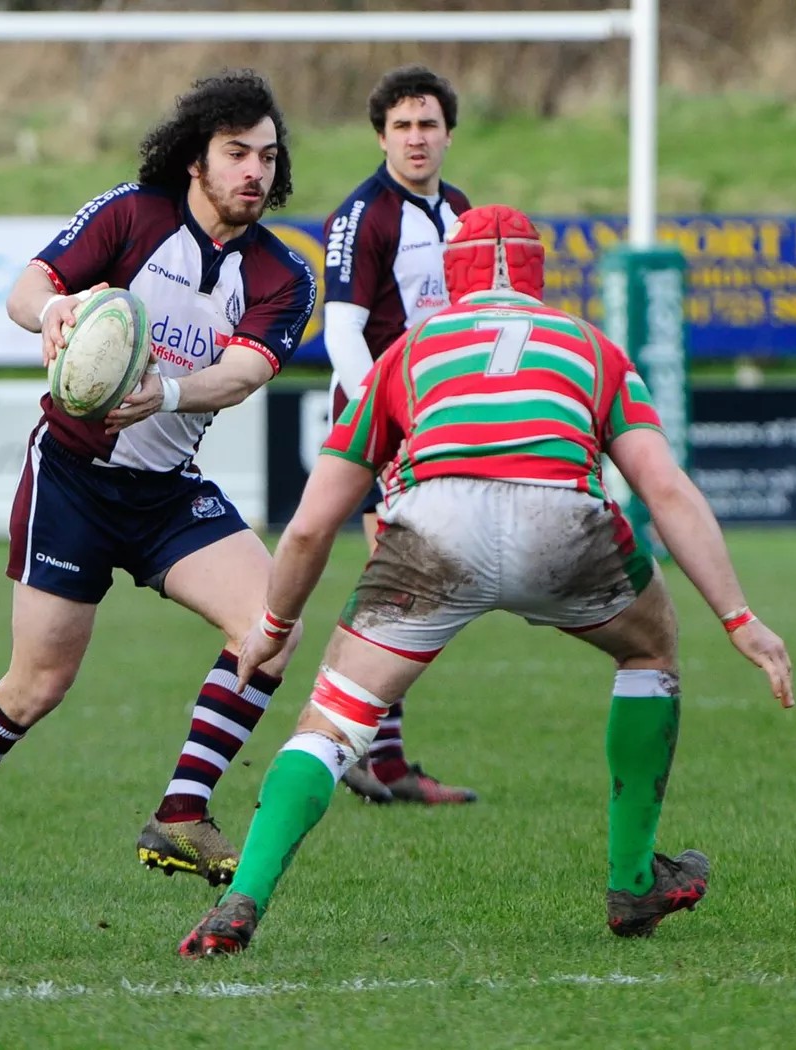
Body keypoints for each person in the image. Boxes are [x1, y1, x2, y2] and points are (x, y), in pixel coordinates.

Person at [177, 205, 794, 958]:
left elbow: (308, 526)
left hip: (435, 526)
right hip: (562, 520)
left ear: (449, 280)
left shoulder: (408, 352)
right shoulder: (592, 348)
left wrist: (272, 627)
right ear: (538, 275)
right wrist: (739, 619)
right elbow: (665, 489)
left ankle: (241, 902)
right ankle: (635, 880)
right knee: (650, 651)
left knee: (335, 720)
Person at [0, 70, 317, 899]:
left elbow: (238, 377)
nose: (255, 173)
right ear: (195, 160)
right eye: (237, 153)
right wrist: (53, 314)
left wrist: (163, 393)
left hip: (166, 489)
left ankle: (181, 812)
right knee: (37, 686)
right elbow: (29, 287)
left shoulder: (283, 275)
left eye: (267, 157)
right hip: (72, 481)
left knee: (271, 626)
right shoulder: (132, 213)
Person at [321, 64, 475, 805]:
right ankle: (363, 750)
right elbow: (343, 332)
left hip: (439, 425)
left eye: (429, 125)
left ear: (448, 133)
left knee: (408, 587)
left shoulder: (461, 212)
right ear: (381, 135)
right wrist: (390, 419)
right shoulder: (364, 215)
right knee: (401, 586)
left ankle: (377, 755)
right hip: (382, 423)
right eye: (403, 126)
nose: (417, 138)